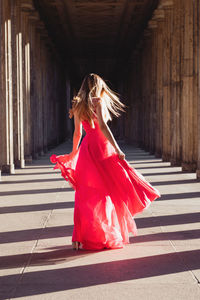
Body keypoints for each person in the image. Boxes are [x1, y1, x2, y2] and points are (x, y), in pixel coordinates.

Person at [50, 73, 160, 251]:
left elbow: (78, 133)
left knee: (84, 192)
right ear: (98, 86)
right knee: (111, 188)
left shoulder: (77, 105)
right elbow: (102, 126)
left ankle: (79, 237)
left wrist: (73, 152)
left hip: (87, 148)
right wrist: (117, 148)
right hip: (102, 147)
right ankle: (105, 233)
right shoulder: (97, 102)